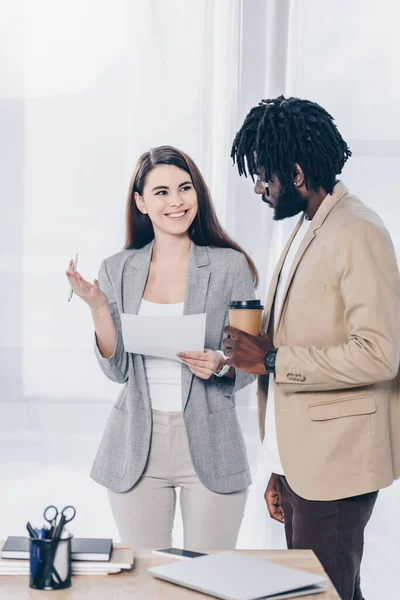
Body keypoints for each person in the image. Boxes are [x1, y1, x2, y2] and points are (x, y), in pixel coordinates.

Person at [223, 96, 400, 600]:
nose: (259, 188)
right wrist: (279, 465)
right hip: (304, 469)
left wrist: (272, 359)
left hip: (336, 475)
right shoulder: (308, 227)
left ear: (296, 173)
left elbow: (379, 353)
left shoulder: (358, 230)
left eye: (264, 176)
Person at [66, 145, 258, 549]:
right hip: (137, 444)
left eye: (185, 188)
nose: (176, 201)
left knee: (212, 578)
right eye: (162, 192)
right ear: (140, 202)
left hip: (211, 442)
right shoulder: (117, 268)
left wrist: (221, 364)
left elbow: (250, 360)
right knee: (148, 583)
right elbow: (117, 370)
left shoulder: (229, 266)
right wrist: (99, 307)